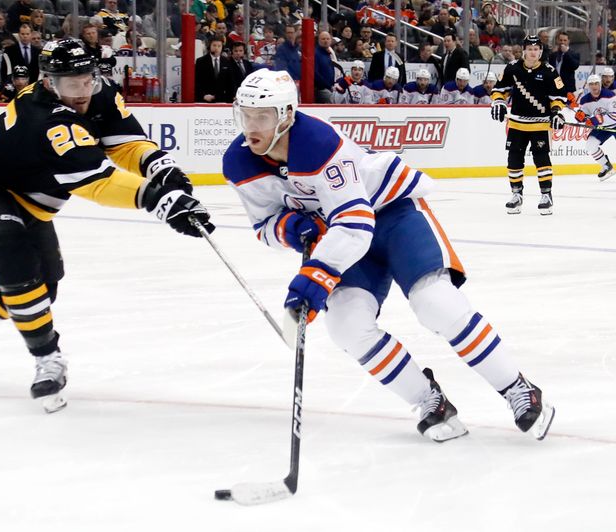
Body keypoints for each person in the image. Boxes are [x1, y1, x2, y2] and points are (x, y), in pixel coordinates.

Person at [223, 68, 555, 442]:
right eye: (245, 114)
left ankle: (517, 388)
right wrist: (288, 226)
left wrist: (316, 275)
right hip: (343, 236)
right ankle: (429, 400)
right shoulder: (238, 162)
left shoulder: (316, 141)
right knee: (346, 326)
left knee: (436, 303)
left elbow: (355, 221)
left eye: (262, 116)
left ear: (285, 115)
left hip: (391, 213)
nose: (251, 125)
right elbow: (264, 224)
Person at [0, 39, 213, 412]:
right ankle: (48, 359)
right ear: (48, 82)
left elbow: (125, 144)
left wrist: (161, 168)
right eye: (70, 83)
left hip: (31, 196)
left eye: (86, 80)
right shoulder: (45, 118)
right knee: (17, 262)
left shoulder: (99, 93)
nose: (81, 91)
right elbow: (99, 181)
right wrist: (159, 199)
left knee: (42, 286)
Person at [490, 35, 567, 215]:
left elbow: (559, 97)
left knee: (542, 159)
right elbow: (499, 90)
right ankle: (517, 194)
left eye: (536, 49)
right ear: (524, 50)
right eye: (530, 49)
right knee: (514, 159)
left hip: (540, 125)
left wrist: (556, 112)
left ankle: (546, 195)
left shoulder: (549, 71)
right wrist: (499, 102)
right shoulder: (512, 68)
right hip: (517, 123)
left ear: (540, 51)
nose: (533, 53)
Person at [573, 74, 616, 181]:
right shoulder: (584, 100)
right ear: (588, 86)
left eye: (596, 83)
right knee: (590, 145)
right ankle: (606, 166)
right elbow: (585, 115)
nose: (594, 86)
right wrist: (580, 117)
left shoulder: (609, 95)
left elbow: (615, 115)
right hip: (602, 128)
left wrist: (596, 120)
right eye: (591, 84)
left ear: (600, 84)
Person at [547, 31, 579, 96]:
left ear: (568, 41)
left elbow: (574, 66)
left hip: (567, 87)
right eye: (560, 40)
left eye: (565, 40)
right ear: (557, 40)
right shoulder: (553, 54)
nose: (562, 42)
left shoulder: (574, 53)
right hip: (555, 87)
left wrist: (566, 53)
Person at [195, 37, 226, 102]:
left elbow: (229, 82)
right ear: (209, 46)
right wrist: (203, 95)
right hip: (205, 98)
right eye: (214, 45)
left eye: (219, 46)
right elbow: (197, 81)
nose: (216, 48)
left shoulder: (226, 61)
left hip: (222, 99)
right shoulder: (201, 61)